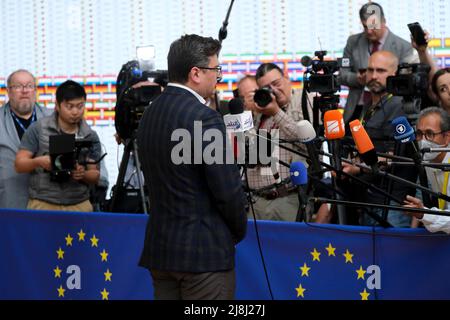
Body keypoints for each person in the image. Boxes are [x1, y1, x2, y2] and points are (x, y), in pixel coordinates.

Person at [136, 34, 247, 300]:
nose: (218, 76)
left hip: (162, 251)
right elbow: (227, 190)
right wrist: (237, 230)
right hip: (203, 255)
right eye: (215, 69)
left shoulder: (149, 113)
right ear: (195, 73)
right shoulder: (204, 118)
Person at [319, 51, 416, 226]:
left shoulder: (399, 105)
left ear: (394, 74)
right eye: (369, 70)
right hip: (369, 199)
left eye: (380, 71)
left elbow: (396, 155)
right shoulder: (372, 105)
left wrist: (357, 168)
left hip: (391, 203)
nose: (373, 76)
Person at [15, 80, 101, 212]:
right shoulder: (38, 128)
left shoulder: (90, 135)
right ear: (57, 105)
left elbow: (95, 176)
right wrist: (39, 161)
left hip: (78, 203)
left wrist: (82, 174)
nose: (75, 112)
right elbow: (19, 165)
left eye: (80, 106)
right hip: (43, 202)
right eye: (69, 106)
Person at [244, 62, 311, 222]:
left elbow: (308, 143)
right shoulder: (259, 112)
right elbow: (243, 152)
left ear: (287, 78)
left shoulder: (303, 100)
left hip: (289, 199)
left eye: (276, 84)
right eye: (266, 88)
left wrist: (276, 112)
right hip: (257, 201)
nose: (273, 91)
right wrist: (247, 114)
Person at [341, 2, 416, 123]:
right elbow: (341, 75)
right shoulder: (353, 42)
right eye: (365, 27)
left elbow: (405, 83)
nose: (369, 31)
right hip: (355, 108)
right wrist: (358, 79)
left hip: (389, 110)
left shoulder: (403, 47)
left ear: (384, 21)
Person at [0, 69, 52, 209]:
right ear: (8, 91)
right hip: (8, 202)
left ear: (35, 90)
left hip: (47, 203)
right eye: (18, 86)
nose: (24, 91)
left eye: (29, 86)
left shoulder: (55, 118)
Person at [403, 107, 450, 233]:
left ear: (447, 137)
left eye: (430, 134)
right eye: (419, 134)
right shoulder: (428, 162)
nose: (423, 141)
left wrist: (424, 214)